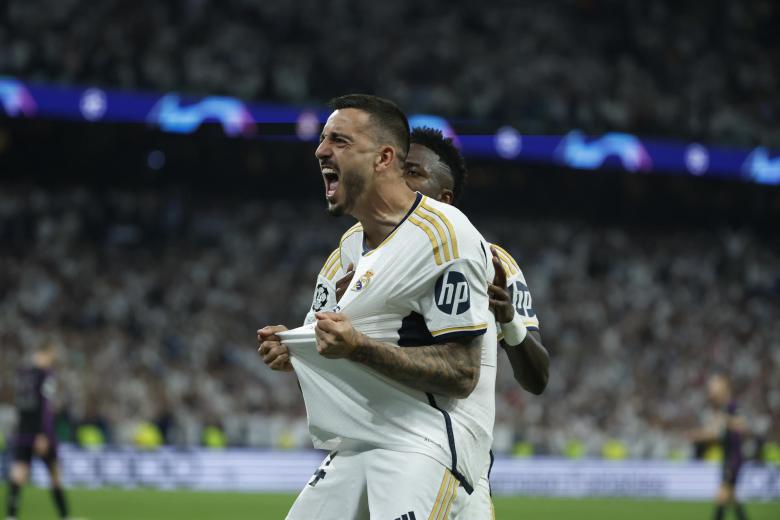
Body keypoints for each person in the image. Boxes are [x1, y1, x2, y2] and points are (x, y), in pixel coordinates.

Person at [258, 94, 496, 519]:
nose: (321, 150)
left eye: (340, 141)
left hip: (422, 444)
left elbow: (462, 372)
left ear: (384, 158)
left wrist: (357, 347)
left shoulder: (445, 235)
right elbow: (333, 353)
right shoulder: (342, 255)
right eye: (323, 140)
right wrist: (293, 353)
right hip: (354, 443)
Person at [306, 126, 550, 517]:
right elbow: (326, 347)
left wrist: (508, 322)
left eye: (414, 173)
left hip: (446, 455)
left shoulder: (491, 261)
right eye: (398, 169)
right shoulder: (349, 252)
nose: (400, 180)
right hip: (368, 444)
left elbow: (537, 378)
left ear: (445, 198)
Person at [5, 341, 72, 520]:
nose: (52, 359)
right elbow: (44, 406)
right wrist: (41, 433)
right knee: (55, 473)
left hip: (22, 431)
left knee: (18, 472)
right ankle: (65, 516)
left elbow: (20, 405)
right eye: (51, 355)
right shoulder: (45, 375)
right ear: (44, 354)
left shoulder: (22, 374)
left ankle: (11, 516)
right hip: (41, 433)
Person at [689, 374, 750, 520]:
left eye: (714, 388)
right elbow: (715, 433)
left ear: (724, 388)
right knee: (732, 497)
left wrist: (725, 420)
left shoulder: (732, 406)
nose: (712, 392)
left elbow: (742, 426)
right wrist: (697, 435)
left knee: (721, 497)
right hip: (727, 457)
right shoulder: (723, 409)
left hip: (734, 459)